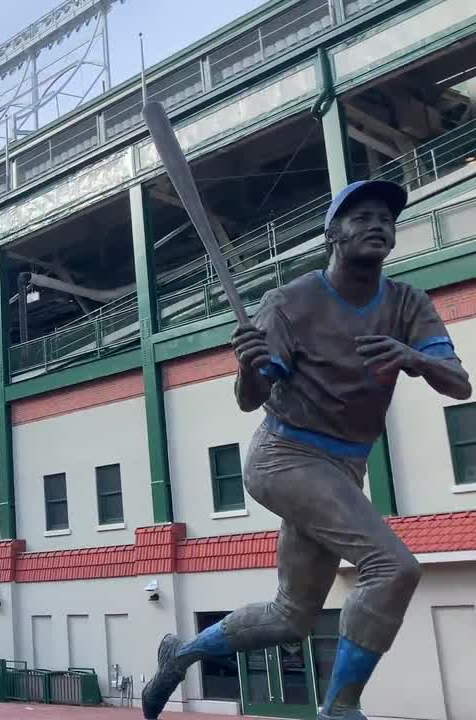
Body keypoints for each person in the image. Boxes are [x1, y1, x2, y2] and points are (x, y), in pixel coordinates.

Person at [141, 179, 471, 720]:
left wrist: (413, 358)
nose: (377, 224)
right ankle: (340, 708)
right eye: (360, 216)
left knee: (291, 616)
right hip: (285, 456)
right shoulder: (289, 302)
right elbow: (255, 399)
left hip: (344, 466)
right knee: (393, 568)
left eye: (385, 218)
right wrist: (248, 365)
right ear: (333, 233)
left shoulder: (408, 302)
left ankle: (181, 654)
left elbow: (458, 383)